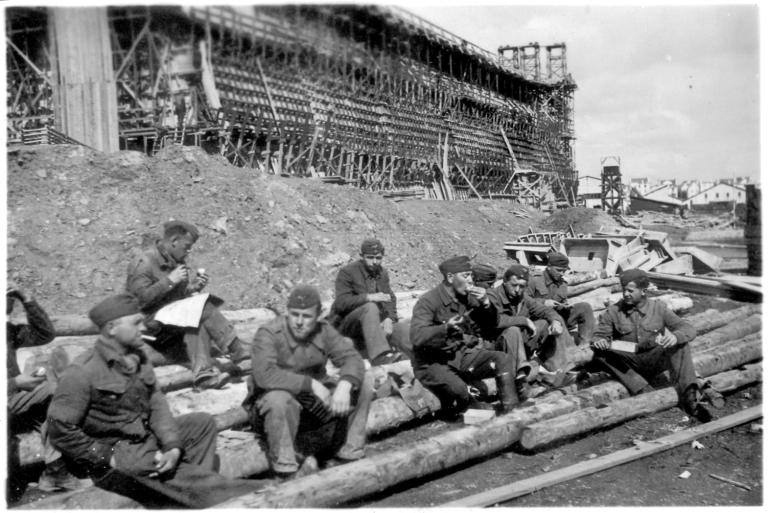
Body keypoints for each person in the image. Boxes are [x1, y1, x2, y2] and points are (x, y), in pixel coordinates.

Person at [46, 294, 260, 508]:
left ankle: (188, 495)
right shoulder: (83, 371)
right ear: (112, 328)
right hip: (113, 453)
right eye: (136, 323)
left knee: (201, 424)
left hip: (142, 441)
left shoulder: (139, 358)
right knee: (150, 463)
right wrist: (104, 455)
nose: (143, 328)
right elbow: (59, 428)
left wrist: (173, 446)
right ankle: (243, 493)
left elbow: (157, 405)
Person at [245, 285, 373, 478]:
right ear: (286, 311)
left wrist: (345, 385)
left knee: (363, 381)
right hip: (275, 410)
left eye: (306, 316)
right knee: (278, 399)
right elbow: (264, 375)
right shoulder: (269, 333)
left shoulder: (324, 330)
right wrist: (310, 384)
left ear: (318, 315)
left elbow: (352, 358)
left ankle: (349, 453)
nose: (298, 322)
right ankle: (286, 470)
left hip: (312, 406)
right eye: (294, 314)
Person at [126, 220, 248, 390]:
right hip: (148, 329)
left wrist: (192, 289)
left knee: (197, 316)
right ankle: (236, 348)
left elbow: (176, 300)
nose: (189, 251)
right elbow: (137, 302)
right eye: (187, 246)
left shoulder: (176, 261)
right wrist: (169, 281)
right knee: (200, 308)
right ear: (174, 241)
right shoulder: (144, 262)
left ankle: (204, 376)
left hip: (168, 325)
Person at [591, 269, 722, 422]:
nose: (625, 294)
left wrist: (675, 337)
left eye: (630, 290)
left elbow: (688, 328)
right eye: (623, 290)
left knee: (681, 345)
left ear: (644, 291)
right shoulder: (614, 311)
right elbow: (600, 334)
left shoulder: (658, 308)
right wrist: (599, 340)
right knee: (601, 352)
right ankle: (640, 386)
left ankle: (690, 397)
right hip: (629, 362)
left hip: (654, 359)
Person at [409, 256, 521, 415]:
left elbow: (491, 323)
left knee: (502, 360)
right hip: (431, 363)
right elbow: (416, 336)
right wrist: (445, 328)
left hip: (459, 356)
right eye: (465, 276)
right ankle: (468, 405)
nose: (471, 281)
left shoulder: (467, 298)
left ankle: (512, 411)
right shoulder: (428, 301)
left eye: (471, 276)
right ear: (450, 277)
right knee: (460, 390)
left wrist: (486, 303)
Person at [6, 285, 81, 500]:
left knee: (52, 400)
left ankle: (55, 471)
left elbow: (45, 334)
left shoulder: (8, 332)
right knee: (51, 390)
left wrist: (28, 299)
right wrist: (15, 382)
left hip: (12, 402)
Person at [488, 264, 576, 386]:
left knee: (545, 323)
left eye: (522, 286)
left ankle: (555, 367)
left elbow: (545, 310)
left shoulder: (522, 297)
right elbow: (496, 321)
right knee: (513, 330)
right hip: (498, 345)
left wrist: (555, 321)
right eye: (514, 285)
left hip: (519, 343)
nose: (517, 290)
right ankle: (520, 377)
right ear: (504, 282)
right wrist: (524, 320)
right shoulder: (493, 296)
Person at [329, 238, 408, 366]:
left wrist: (389, 318)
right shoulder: (348, 272)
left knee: (400, 328)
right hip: (347, 326)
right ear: (361, 256)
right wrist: (369, 297)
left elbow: (390, 298)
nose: (374, 262)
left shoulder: (382, 273)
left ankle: (417, 356)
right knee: (370, 307)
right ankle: (379, 356)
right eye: (370, 257)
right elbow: (341, 303)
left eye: (378, 258)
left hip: (372, 327)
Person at [527, 252, 595, 345]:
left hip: (559, 317)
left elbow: (562, 300)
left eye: (564, 270)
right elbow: (523, 302)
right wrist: (544, 302)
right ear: (549, 266)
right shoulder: (534, 280)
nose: (562, 273)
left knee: (584, 307)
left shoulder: (562, 283)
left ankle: (585, 345)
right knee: (543, 324)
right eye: (558, 270)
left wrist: (564, 305)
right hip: (539, 319)